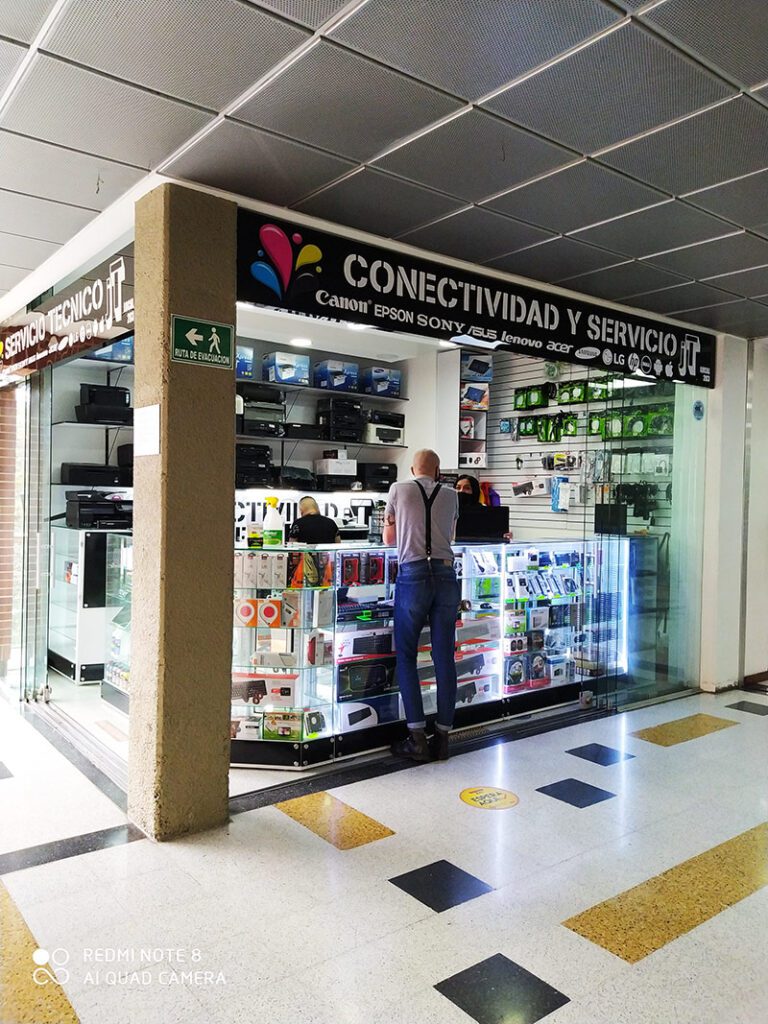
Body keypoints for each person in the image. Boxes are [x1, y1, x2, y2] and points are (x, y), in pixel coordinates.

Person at [383, 449, 460, 762]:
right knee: (444, 657)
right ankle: (442, 739)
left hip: (413, 574)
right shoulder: (452, 495)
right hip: (446, 574)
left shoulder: (398, 489)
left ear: (413, 469)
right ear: (438, 471)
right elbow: (451, 535)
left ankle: (417, 739)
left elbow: (389, 539)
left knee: (406, 655)